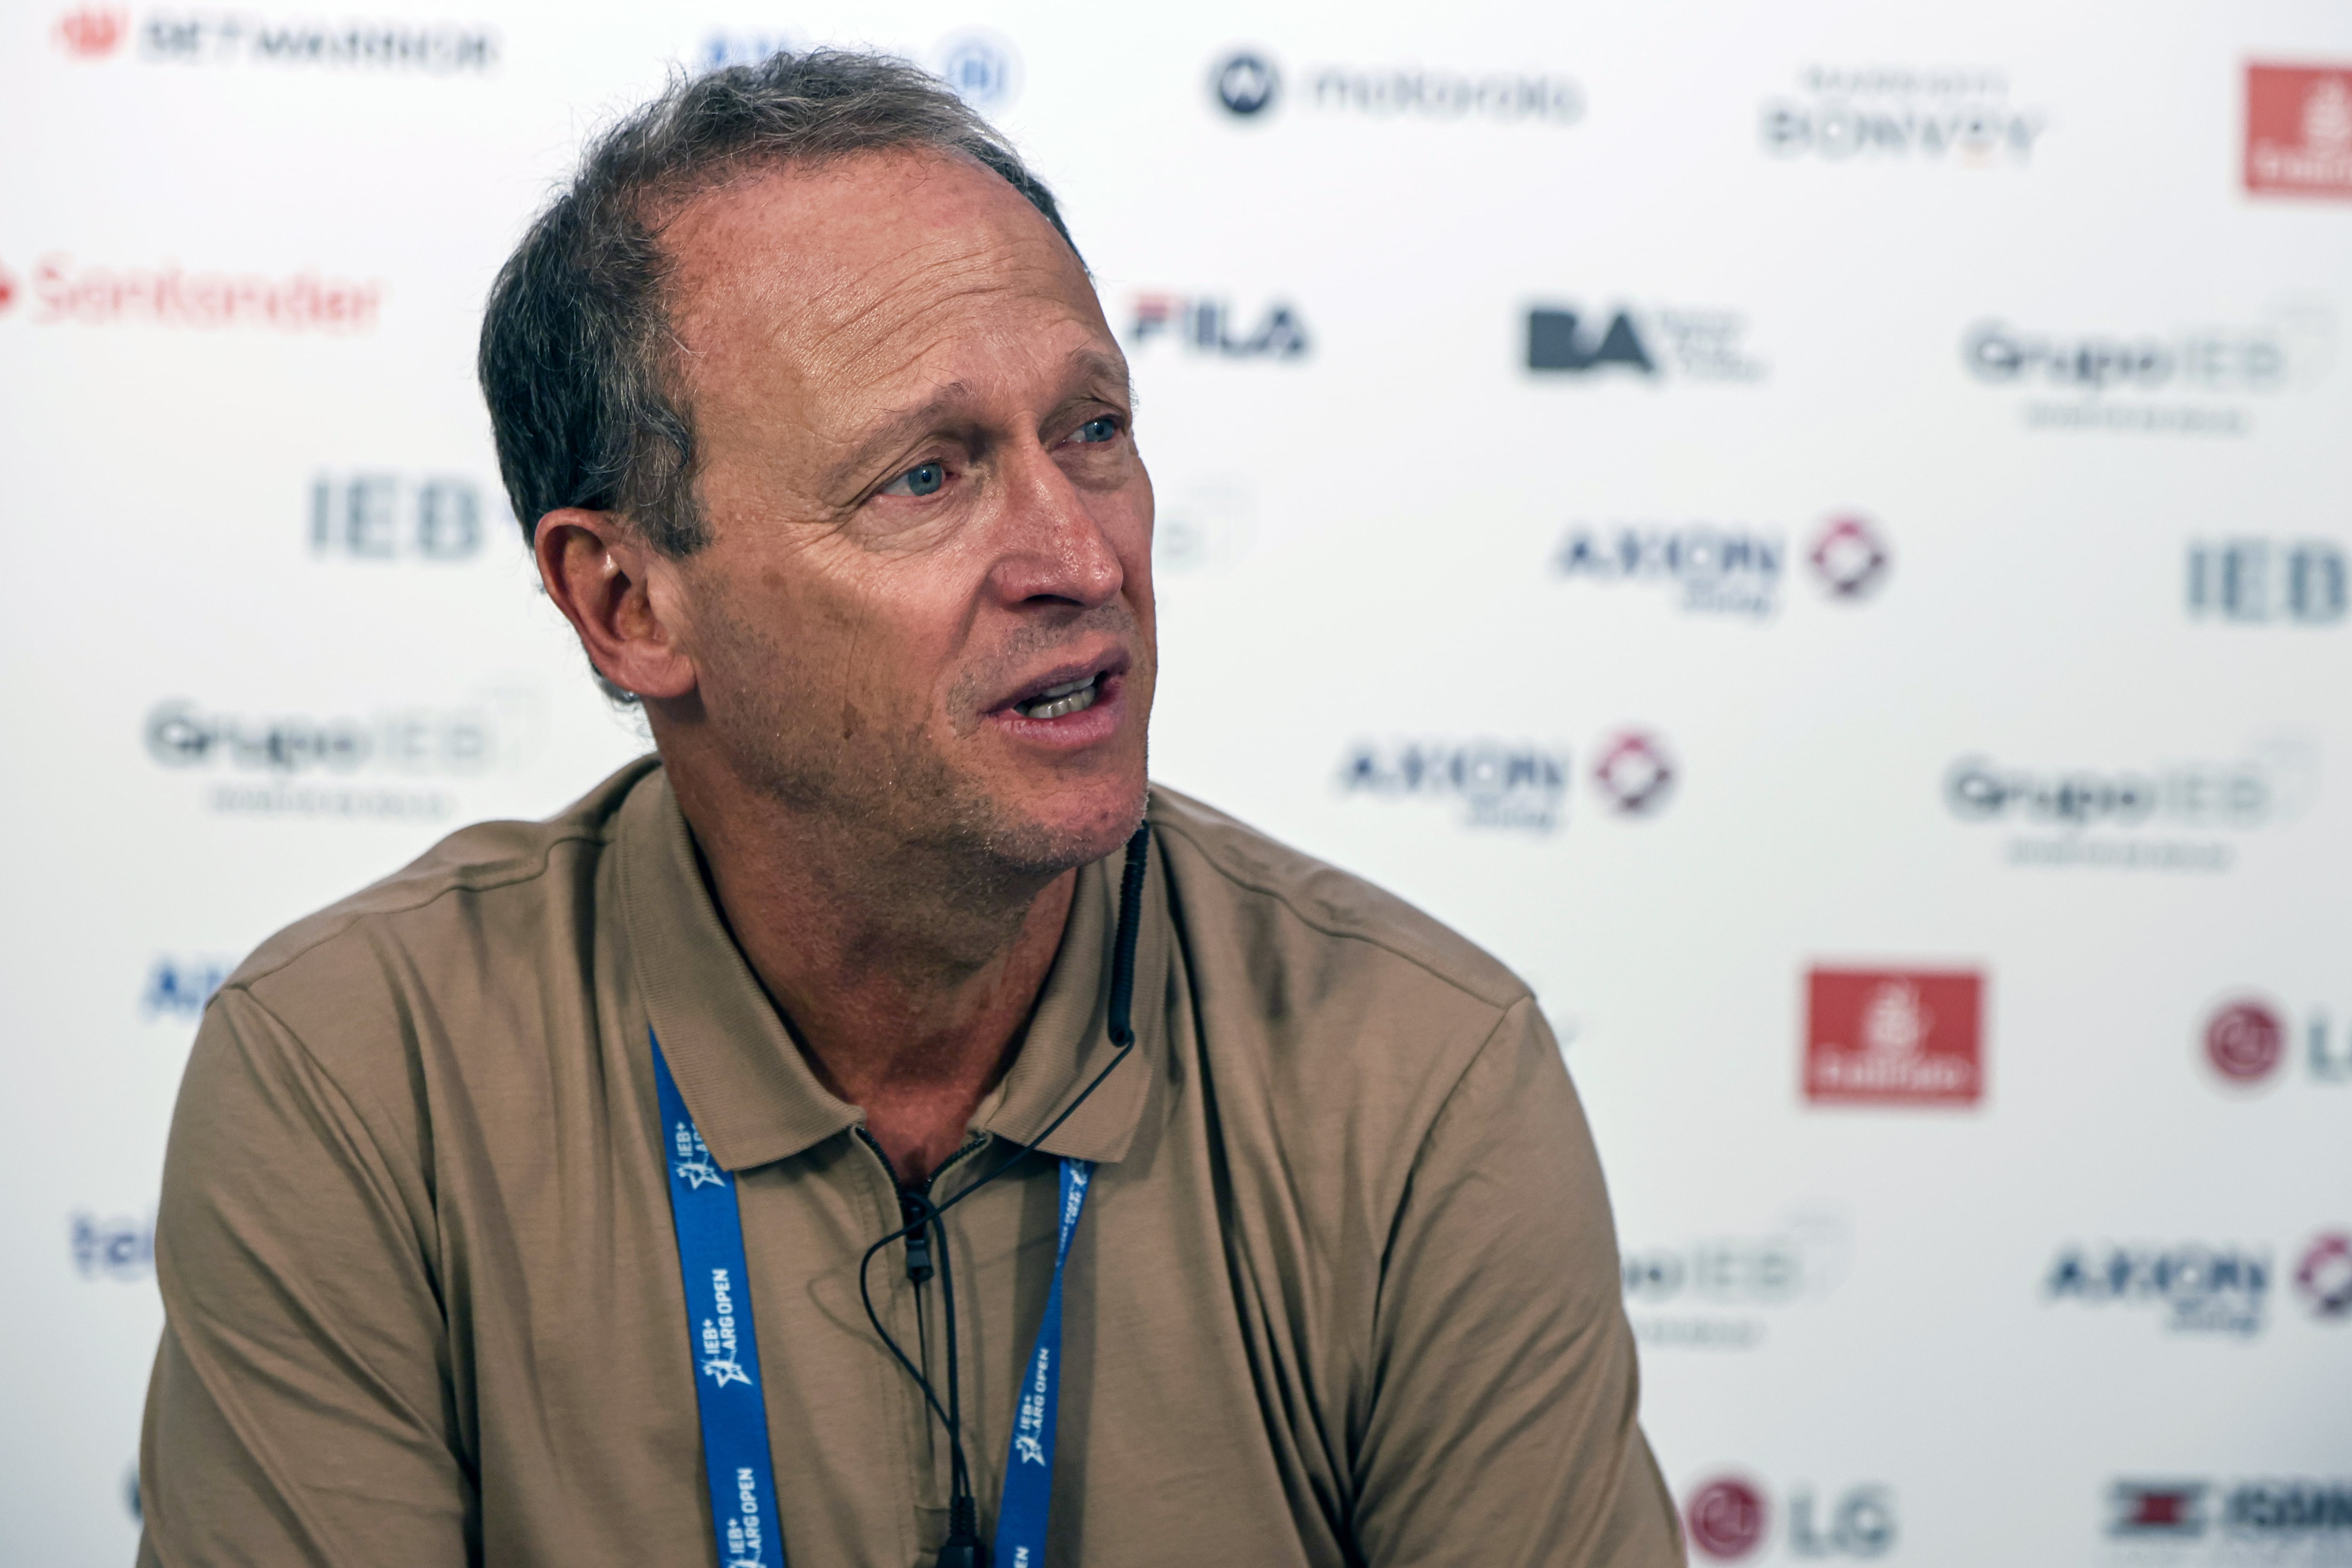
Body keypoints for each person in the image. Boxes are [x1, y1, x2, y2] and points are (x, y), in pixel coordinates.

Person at [137, 50, 1682, 1568]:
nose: (1081, 559)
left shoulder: (1416, 1072)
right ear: (625, 603)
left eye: (1093, 430)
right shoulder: (367, 1074)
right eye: (926, 478)